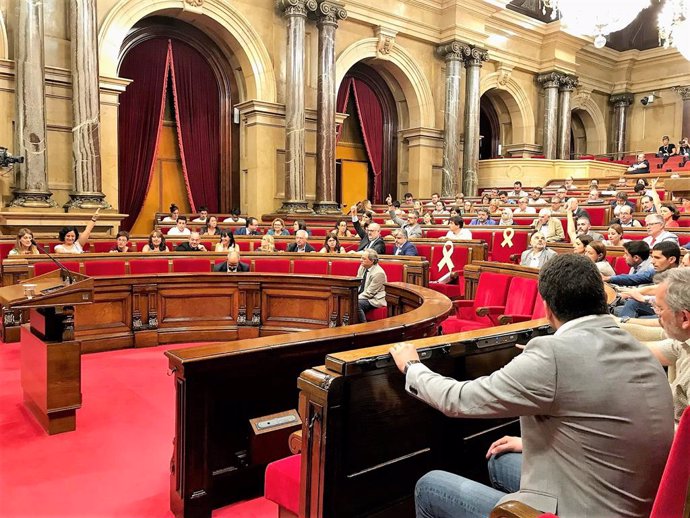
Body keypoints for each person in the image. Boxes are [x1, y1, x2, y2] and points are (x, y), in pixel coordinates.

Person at [390, 254, 673, 518]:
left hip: (583, 509)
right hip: (636, 499)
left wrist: (412, 367)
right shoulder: (638, 349)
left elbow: (459, 400)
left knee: (430, 485)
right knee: (499, 461)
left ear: (548, 309)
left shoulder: (552, 355)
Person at [647, 268, 690, 425]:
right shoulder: (684, 341)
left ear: (684, 317)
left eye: (659, 308)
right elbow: (642, 351)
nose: (657, 314)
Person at [616, 242, 681, 318]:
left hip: (672, 314)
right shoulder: (656, 271)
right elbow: (636, 278)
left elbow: (654, 289)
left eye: (657, 258)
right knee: (614, 309)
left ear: (671, 259)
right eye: (652, 257)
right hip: (655, 308)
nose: (652, 261)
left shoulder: (680, 277)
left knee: (632, 310)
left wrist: (639, 296)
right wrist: (609, 279)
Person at [356, 249, 387, 323]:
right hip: (363, 295)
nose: (361, 260)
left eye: (363, 259)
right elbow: (356, 283)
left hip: (374, 299)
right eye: (361, 258)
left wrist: (354, 298)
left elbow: (369, 293)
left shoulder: (379, 273)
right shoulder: (362, 267)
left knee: (356, 304)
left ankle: (364, 328)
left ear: (372, 261)